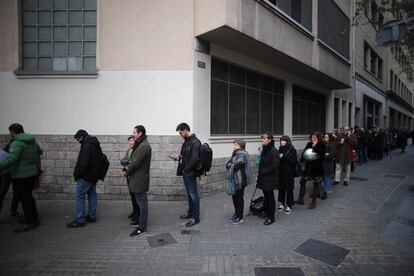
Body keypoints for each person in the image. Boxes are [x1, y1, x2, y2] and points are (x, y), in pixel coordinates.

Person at [0, 123, 41, 232]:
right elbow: (39, 151)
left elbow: (12, 159)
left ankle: (29, 222)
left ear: (13, 132)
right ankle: (35, 219)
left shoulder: (16, 143)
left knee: (24, 199)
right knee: (29, 197)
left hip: (20, 175)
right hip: (32, 173)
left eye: (10, 132)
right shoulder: (32, 141)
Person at [67, 130, 102, 228]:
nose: (78, 141)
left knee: (79, 196)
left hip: (86, 176)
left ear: (82, 136)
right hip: (94, 175)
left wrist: (77, 174)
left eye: (78, 139)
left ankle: (80, 220)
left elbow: (83, 163)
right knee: (92, 195)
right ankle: (92, 216)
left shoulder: (86, 145)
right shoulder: (95, 144)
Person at [171, 123, 202, 227]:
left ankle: (195, 218)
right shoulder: (187, 142)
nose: (180, 134)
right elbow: (186, 156)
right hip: (186, 172)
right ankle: (190, 213)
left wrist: (186, 169)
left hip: (190, 173)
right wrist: (179, 157)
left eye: (180, 132)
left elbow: (195, 158)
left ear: (185, 130)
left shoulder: (195, 142)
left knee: (193, 194)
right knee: (189, 194)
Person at [124, 125, 152, 236]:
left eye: (135, 132)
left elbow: (135, 162)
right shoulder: (140, 144)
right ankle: (140, 223)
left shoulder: (144, 146)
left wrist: (127, 171)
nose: (133, 134)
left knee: (142, 203)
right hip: (137, 177)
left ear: (140, 133)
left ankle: (142, 227)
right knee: (140, 202)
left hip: (139, 179)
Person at [225, 139, 251, 224]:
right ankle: (236, 213)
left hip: (241, 180)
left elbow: (237, 165)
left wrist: (231, 165)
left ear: (241, 146)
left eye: (236, 145)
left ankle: (240, 216)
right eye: (234, 144)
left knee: (239, 198)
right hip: (234, 180)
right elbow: (227, 165)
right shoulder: (235, 153)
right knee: (235, 198)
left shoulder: (243, 154)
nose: (234, 146)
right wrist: (231, 164)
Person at [256, 132, 280, 225]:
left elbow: (275, 166)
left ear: (269, 140)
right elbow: (262, 163)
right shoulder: (264, 150)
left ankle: (271, 216)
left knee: (270, 197)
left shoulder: (274, 151)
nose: (262, 139)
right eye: (262, 138)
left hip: (270, 178)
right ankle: (266, 211)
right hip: (263, 177)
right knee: (266, 196)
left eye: (264, 138)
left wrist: (264, 171)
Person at [299, 132, 325, 209]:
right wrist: (301, 161)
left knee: (316, 185)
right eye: (312, 137)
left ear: (318, 138)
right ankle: (300, 199)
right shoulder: (308, 144)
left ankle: (313, 202)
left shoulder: (322, 145)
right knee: (302, 182)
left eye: (315, 137)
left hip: (316, 168)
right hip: (307, 167)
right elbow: (304, 153)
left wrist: (315, 146)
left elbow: (321, 155)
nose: (313, 139)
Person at [120, 136, 140, 224]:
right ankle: (134, 211)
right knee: (132, 195)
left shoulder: (137, 150)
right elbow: (122, 161)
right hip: (128, 175)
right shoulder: (128, 150)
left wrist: (128, 162)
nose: (131, 142)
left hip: (134, 176)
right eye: (129, 141)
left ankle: (138, 214)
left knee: (136, 196)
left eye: (132, 140)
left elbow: (135, 162)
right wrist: (129, 161)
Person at [0, 141, 22, 218]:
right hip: (7, 173)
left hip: (10, 173)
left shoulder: (9, 148)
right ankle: (14, 211)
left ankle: (14, 211)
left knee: (12, 193)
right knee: (2, 193)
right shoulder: (6, 150)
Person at [277, 135, 297, 214]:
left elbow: (294, 161)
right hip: (281, 171)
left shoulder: (292, 149)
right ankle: (282, 203)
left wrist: (284, 156)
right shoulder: (280, 148)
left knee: (289, 188)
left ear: (287, 141)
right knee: (281, 188)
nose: (281, 142)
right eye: (281, 140)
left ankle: (289, 205)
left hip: (289, 172)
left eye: (283, 140)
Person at [321, 133, 336, 200]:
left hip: (328, 164)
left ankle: (327, 190)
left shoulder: (332, 145)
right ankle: (328, 188)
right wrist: (325, 154)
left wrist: (325, 155)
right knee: (325, 177)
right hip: (323, 163)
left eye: (327, 137)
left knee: (327, 177)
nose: (325, 138)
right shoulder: (323, 144)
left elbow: (331, 155)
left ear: (330, 138)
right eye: (325, 137)